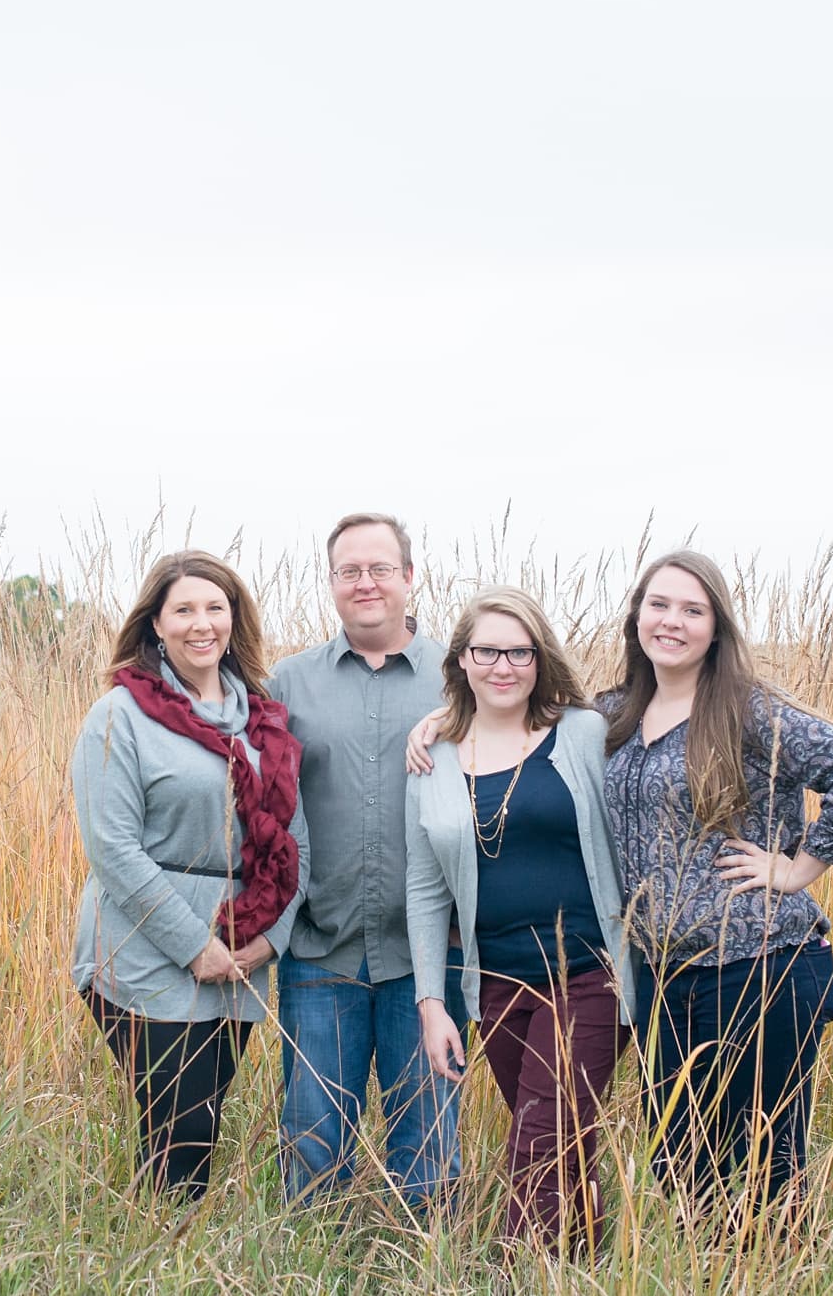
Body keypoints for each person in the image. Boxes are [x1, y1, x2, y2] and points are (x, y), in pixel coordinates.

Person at [601, 549, 833, 1225]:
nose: (672, 621)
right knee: (681, 1168)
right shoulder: (612, 715)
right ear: (638, 615)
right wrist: (441, 721)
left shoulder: (748, 711)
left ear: (716, 627)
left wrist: (796, 868)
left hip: (763, 966)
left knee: (769, 1171)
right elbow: (519, 728)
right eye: (660, 604)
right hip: (663, 976)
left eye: (692, 609)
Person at [70, 550, 309, 1201]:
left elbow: (295, 842)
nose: (200, 623)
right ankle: (158, 1257)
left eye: (214, 607)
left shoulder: (262, 719)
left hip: (242, 944)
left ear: (234, 619)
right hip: (144, 948)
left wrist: (269, 941)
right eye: (183, 609)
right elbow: (112, 846)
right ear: (156, 625)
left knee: (198, 1127)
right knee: (178, 1128)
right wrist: (192, 945)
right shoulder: (120, 717)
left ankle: (168, 1251)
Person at [404, 587, 635, 1256]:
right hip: (496, 986)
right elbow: (423, 890)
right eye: (487, 650)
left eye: (519, 651)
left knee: (538, 1143)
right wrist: (430, 1002)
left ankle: (514, 1270)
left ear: (539, 658)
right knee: (561, 1148)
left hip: (590, 975)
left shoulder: (584, 733)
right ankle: (587, 1262)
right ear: (461, 661)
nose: (503, 665)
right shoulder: (432, 755)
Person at [269, 512, 468, 1206]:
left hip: (429, 963)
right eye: (349, 570)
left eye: (380, 568)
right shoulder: (288, 683)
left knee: (430, 1149)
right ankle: (312, 1266)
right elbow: (260, 805)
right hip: (320, 951)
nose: (365, 582)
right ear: (330, 583)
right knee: (314, 1145)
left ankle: (426, 1268)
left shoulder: (461, 680)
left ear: (409, 577)